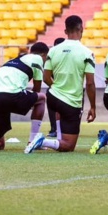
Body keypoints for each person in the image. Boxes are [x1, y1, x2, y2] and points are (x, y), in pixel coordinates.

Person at [26, 15, 96, 153]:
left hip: (53, 98)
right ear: (81, 29)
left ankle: (58, 136)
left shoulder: (53, 50)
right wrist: (93, 107)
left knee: (60, 110)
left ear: (65, 31)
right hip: (71, 102)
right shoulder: (87, 53)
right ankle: (42, 141)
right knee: (69, 146)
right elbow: (90, 84)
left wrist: (56, 89)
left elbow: (46, 77)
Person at [46, 37, 66, 138]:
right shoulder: (51, 57)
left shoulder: (70, 58)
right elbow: (47, 76)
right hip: (56, 86)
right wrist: (54, 86)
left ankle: (67, 128)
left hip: (69, 87)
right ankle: (54, 128)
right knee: (50, 95)